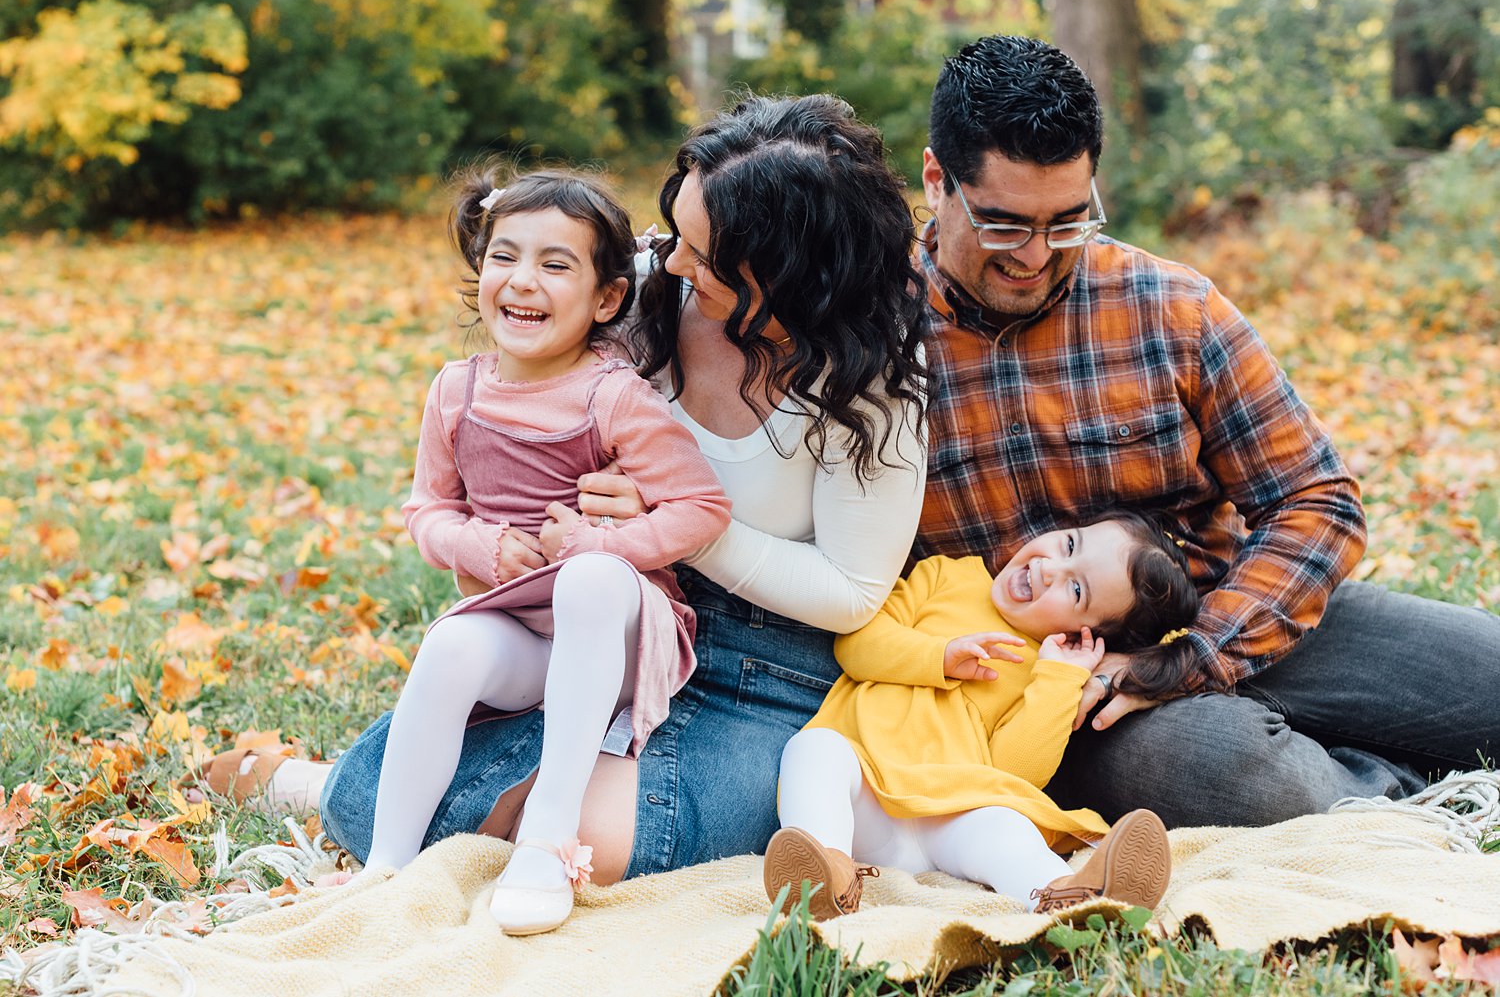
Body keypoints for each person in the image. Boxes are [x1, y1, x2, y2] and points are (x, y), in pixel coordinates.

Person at [195, 95, 928, 885]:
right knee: (374, 802)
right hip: (595, 618)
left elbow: (853, 590)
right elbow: (514, 389)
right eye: (675, 233)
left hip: (758, 665)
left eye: (701, 254)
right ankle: (335, 784)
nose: (670, 261)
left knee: (600, 842)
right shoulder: (642, 291)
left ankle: (370, 790)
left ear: (789, 271)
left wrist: (687, 526)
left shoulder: (870, 379)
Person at [913, 35, 1500, 828]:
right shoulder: (870, 342)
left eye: (1068, 223)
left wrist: (1197, 656)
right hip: (1065, 695)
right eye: (1005, 226)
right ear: (936, 181)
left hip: (1234, 614)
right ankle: (1394, 793)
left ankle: (1342, 762)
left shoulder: (1167, 305)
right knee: (1229, 772)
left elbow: (1318, 499)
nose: (1037, 257)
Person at [360, 167, 732, 934]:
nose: (522, 280)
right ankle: (385, 865)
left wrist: (600, 541)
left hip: (619, 626)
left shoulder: (613, 395)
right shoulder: (456, 392)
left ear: (606, 299)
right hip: (525, 628)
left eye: (555, 264)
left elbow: (702, 507)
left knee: (591, 578)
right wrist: (481, 543)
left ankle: (548, 838)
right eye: (505, 255)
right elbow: (426, 508)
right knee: (453, 642)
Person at [765, 510, 1193, 920]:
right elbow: (856, 645)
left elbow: (1014, 771)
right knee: (813, 749)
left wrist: (1058, 680)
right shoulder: (946, 575)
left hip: (953, 815)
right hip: (867, 802)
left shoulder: (1052, 670)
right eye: (1068, 544)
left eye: (1076, 590)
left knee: (1005, 825)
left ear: (1089, 636)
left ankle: (1068, 896)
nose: (1049, 570)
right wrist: (940, 656)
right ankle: (825, 872)